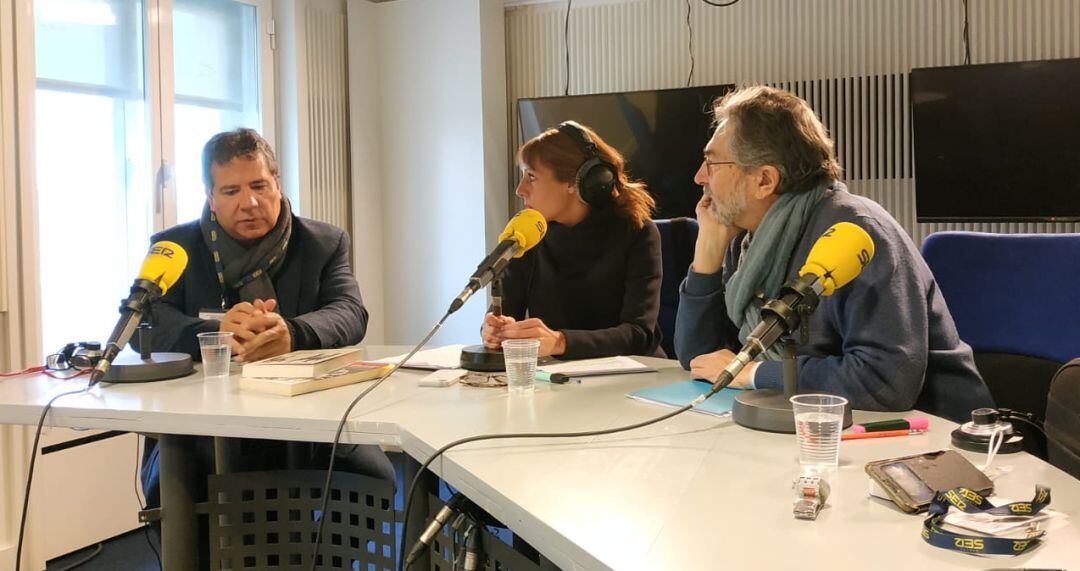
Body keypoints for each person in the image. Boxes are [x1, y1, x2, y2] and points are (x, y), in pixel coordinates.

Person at [674, 86, 992, 422]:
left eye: (712, 162)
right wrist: (707, 254)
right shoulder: (748, 240)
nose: (699, 177)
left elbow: (884, 382)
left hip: (928, 433)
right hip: (814, 420)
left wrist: (756, 373)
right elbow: (701, 359)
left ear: (764, 180)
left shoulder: (855, 234)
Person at [135, 128, 392, 510]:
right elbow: (144, 324)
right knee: (176, 493)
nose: (249, 202)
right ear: (210, 196)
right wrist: (215, 331)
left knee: (376, 480)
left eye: (259, 185)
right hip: (199, 429)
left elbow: (350, 312)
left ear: (277, 184)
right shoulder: (174, 247)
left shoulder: (323, 242)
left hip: (311, 422)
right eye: (231, 191)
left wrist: (293, 332)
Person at [481, 121, 664, 359]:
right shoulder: (528, 233)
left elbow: (639, 334)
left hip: (629, 380)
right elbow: (506, 313)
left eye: (532, 177)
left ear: (576, 181)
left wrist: (559, 342)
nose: (520, 189)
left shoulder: (638, 233)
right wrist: (493, 330)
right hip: (555, 378)